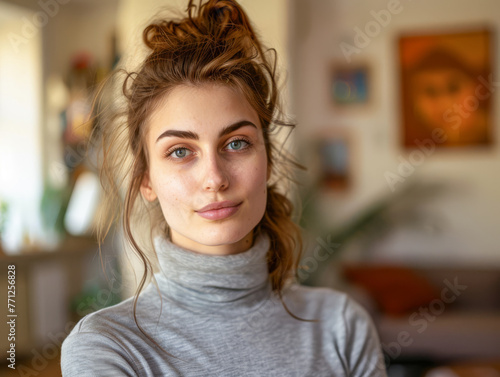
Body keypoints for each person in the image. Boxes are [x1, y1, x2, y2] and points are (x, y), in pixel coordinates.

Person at [61, 0, 387, 375]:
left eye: (236, 143)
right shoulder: (107, 347)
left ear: (267, 160)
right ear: (147, 179)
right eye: (180, 151)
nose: (215, 177)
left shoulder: (341, 326)